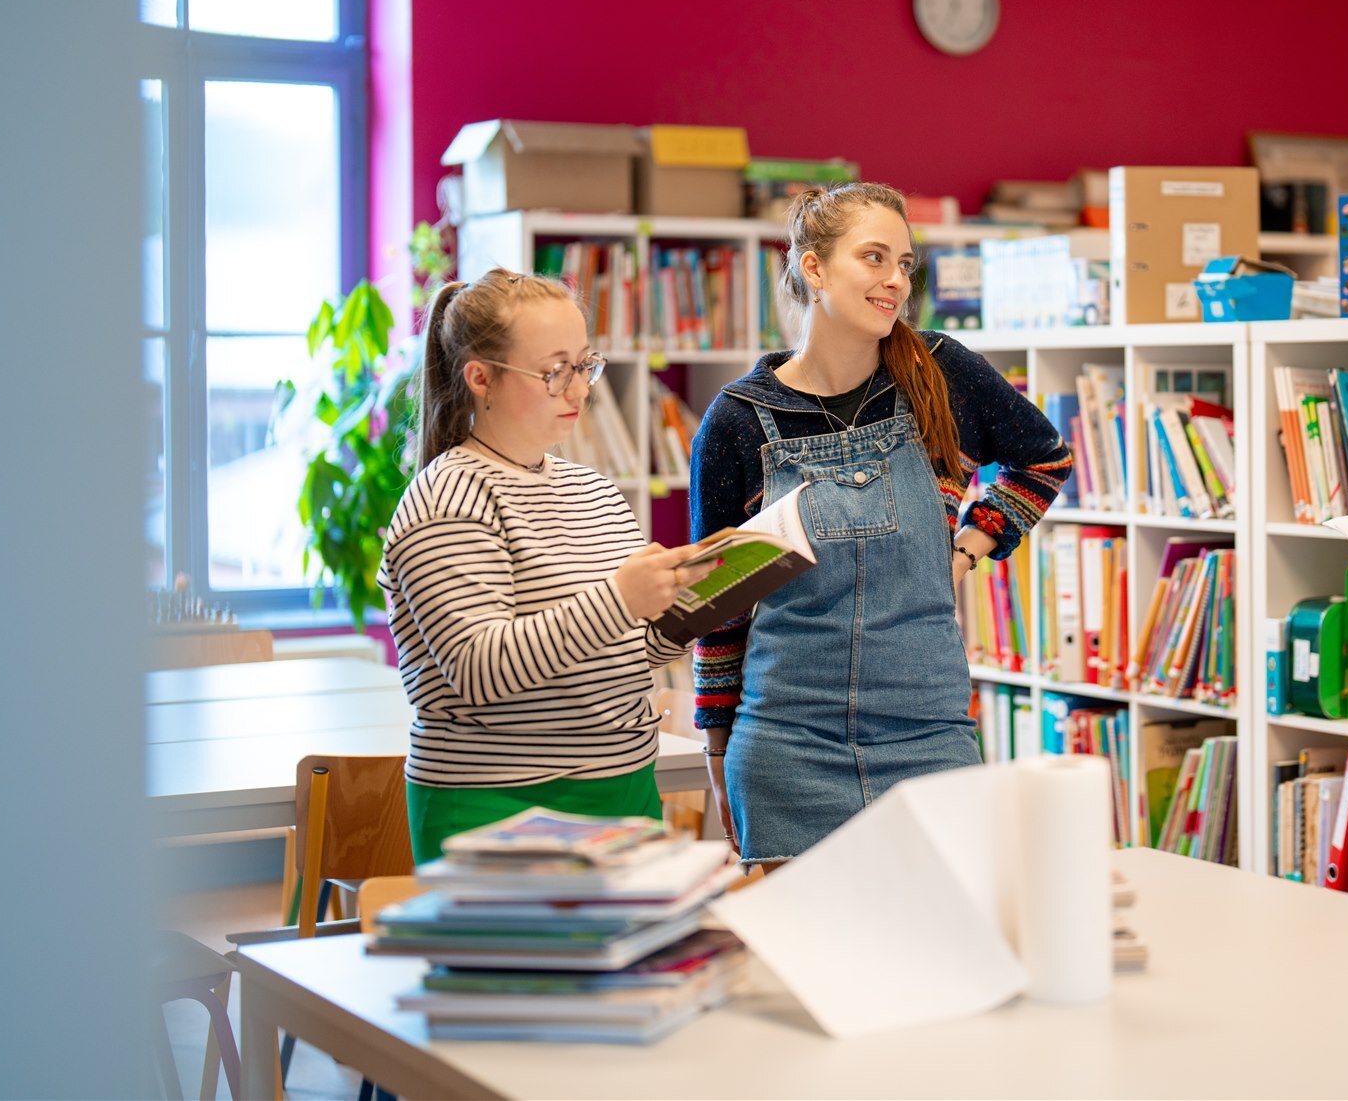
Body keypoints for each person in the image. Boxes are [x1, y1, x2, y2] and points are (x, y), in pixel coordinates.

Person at [688, 182, 1071, 863]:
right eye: (874, 257)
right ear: (813, 268)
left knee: (944, 928)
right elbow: (719, 609)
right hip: (786, 749)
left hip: (931, 740)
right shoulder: (738, 420)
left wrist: (967, 549)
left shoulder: (942, 374)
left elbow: (1046, 459)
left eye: (904, 263)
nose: (896, 279)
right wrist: (717, 752)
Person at [378, 269, 709, 863]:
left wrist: (691, 610)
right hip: (495, 799)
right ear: (481, 378)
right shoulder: (447, 496)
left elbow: (625, 649)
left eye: (585, 365)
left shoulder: (595, 492)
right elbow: (480, 670)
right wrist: (621, 599)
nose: (578, 390)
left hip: (622, 784)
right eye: (555, 371)